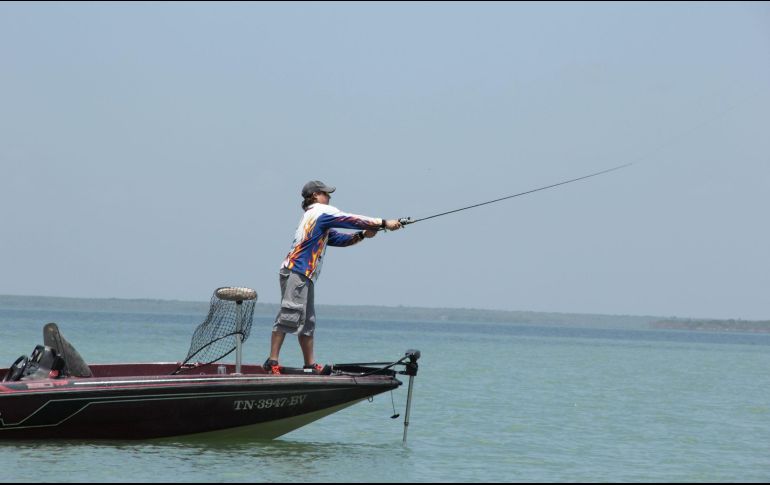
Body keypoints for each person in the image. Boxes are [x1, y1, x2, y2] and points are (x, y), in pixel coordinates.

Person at [264, 180, 403, 375]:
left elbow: (338, 239)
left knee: (307, 321)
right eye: (325, 193)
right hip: (297, 270)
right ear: (315, 195)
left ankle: (310, 365)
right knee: (289, 315)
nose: (329, 197)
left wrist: (363, 235)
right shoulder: (320, 211)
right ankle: (272, 361)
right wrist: (383, 223)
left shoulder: (315, 216)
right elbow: (349, 219)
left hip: (304, 274)